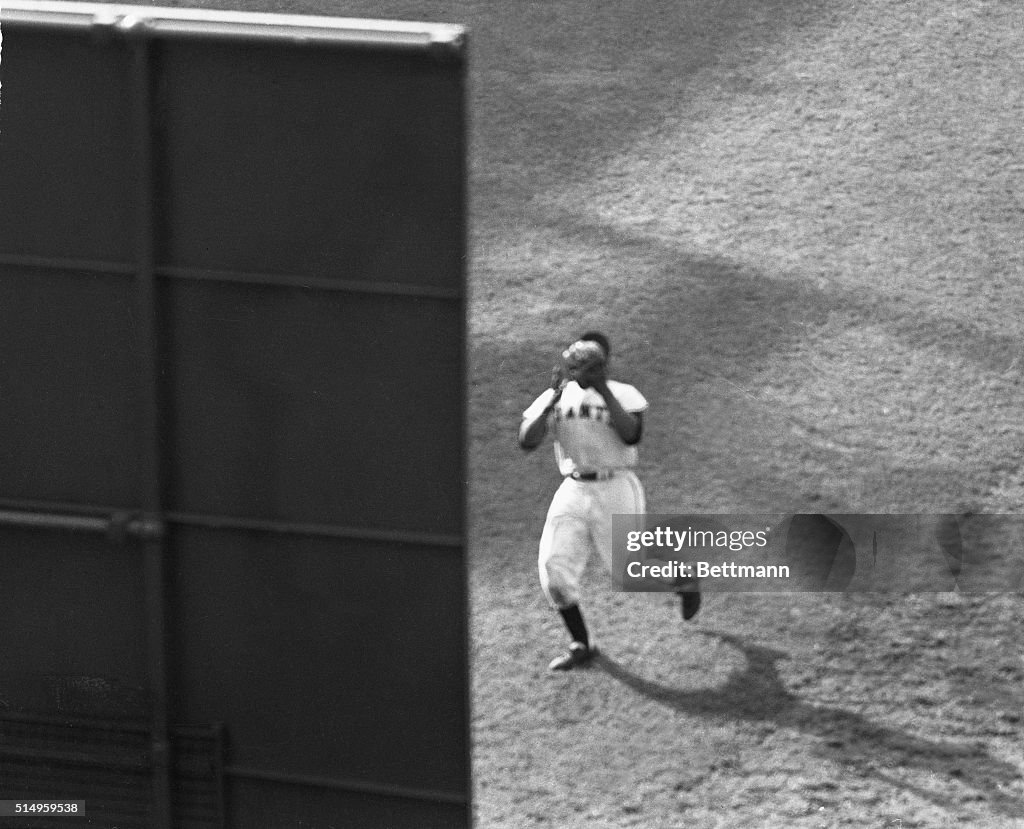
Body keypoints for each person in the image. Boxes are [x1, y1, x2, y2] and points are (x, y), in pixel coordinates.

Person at [519, 331, 700, 671]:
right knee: (553, 571)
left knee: (629, 572)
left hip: (616, 486)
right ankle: (581, 643)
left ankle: (682, 578)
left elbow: (632, 434)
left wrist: (601, 388)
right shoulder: (555, 396)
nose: (586, 370)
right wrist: (550, 400)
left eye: (594, 364)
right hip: (573, 488)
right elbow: (526, 441)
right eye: (581, 364)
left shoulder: (624, 393)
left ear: (605, 363)